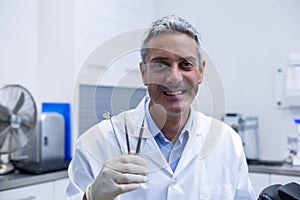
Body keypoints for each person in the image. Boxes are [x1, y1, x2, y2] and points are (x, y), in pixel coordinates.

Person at [66, 15, 256, 200]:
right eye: (160, 65)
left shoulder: (227, 141)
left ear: (200, 72)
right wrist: (90, 198)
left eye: (186, 65)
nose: (174, 78)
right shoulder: (96, 143)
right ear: (144, 73)